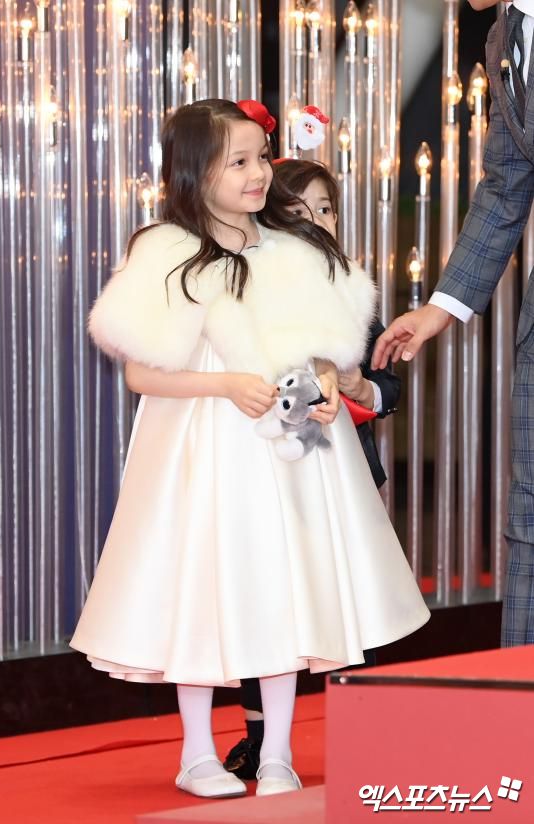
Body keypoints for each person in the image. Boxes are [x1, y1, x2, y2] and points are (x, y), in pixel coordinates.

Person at [71, 98, 429, 800]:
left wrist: (327, 384)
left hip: (287, 450)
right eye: (237, 162)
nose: (258, 173)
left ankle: (278, 754)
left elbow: (325, 354)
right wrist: (226, 384)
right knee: (200, 586)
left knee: (285, 585)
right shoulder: (165, 252)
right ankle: (197, 752)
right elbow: (142, 373)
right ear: (193, 171)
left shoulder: (294, 252)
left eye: (260, 158)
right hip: (201, 449)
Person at [223, 158, 401, 780]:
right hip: (271, 472)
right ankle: (260, 737)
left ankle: (368, 732)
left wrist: (358, 386)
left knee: (356, 597)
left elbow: (387, 386)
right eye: (298, 211)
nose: (315, 221)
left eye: (325, 209)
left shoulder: (351, 286)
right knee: (266, 600)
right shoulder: (250, 284)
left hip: (348, 477)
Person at [372, 0, 534, 648]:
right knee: (529, 516)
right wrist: (440, 308)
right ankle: (522, 691)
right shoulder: (503, 35)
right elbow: (505, 184)